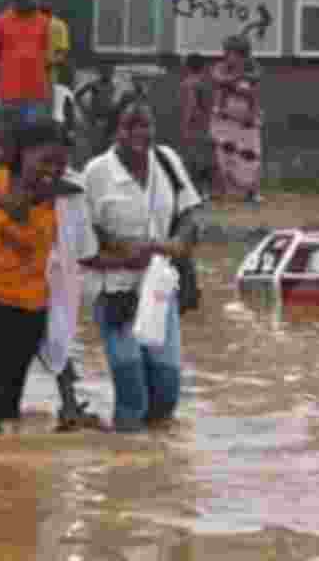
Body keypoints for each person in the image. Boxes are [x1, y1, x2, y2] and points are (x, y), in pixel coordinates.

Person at [0, 119, 99, 434]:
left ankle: (1, 477)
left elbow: (84, 250)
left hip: (29, 314)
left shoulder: (68, 197)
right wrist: (2, 201)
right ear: (22, 154)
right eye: (45, 161)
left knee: (7, 409)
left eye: (59, 163)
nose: (52, 170)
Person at [81, 100, 202, 432]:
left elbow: (189, 212)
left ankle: (158, 468)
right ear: (115, 130)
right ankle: (126, 464)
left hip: (159, 290)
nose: (139, 133)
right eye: (130, 125)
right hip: (116, 291)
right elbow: (85, 235)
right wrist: (125, 253)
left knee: (166, 390)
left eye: (145, 124)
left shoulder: (166, 160)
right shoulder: (96, 173)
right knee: (132, 387)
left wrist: (175, 243)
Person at [209, 35, 263, 203]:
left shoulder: (253, 68)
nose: (229, 57)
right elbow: (218, 79)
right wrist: (238, 78)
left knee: (251, 155)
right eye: (228, 53)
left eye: (234, 53)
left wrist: (252, 115)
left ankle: (252, 192)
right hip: (224, 118)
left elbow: (254, 87)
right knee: (223, 154)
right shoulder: (220, 67)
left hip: (246, 120)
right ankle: (221, 191)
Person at [0, 0, 51, 116]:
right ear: (16, 1)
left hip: (35, 93)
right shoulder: (0, 22)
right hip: (8, 93)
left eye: (32, 0)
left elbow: (46, 56)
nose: (32, 3)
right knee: (7, 132)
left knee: (33, 132)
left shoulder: (44, 22)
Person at [179, 53, 215, 198]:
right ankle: (206, 190)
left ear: (188, 66)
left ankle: (196, 190)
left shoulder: (189, 83)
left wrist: (186, 124)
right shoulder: (204, 83)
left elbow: (191, 105)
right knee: (205, 157)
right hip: (206, 123)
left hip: (195, 124)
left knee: (193, 159)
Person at [74, 65, 119, 159]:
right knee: (95, 143)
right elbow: (77, 96)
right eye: (106, 71)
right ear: (101, 73)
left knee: (106, 144)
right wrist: (85, 110)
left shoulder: (112, 85)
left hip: (107, 118)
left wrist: (113, 111)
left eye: (111, 72)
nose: (109, 74)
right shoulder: (94, 84)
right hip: (94, 118)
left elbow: (109, 100)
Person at [40, 0, 71, 87]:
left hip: (50, 77)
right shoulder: (29, 24)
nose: (47, 1)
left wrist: (49, 62)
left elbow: (62, 53)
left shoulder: (59, 25)